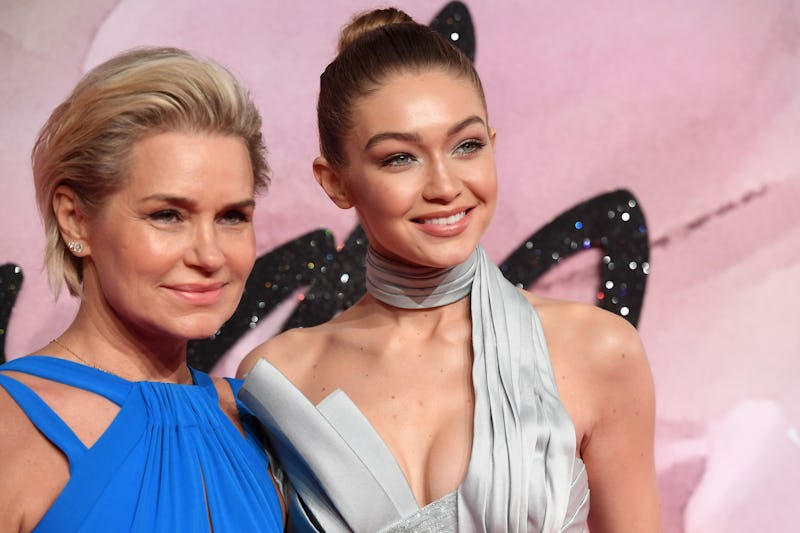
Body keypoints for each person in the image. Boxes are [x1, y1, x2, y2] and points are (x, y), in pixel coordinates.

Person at [239, 7, 661, 533]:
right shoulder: (279, 379)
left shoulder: (599, 352)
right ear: (335, 182)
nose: (444, 185)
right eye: (400, 158)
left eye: (466, 146)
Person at [0, 47, 284, 532]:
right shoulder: (11, 427)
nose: (210, 255)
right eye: (167, 215)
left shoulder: (264, 424)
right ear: (77, 219)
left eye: (232, 217)